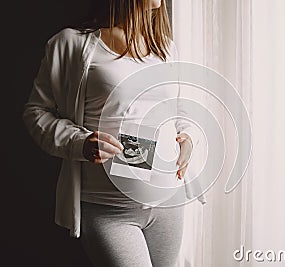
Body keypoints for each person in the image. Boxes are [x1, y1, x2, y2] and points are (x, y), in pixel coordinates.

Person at [22, 0, 206, 266]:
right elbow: (36, 112)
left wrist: (188, 138)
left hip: (168, 201)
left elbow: (177, 112)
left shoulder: (165, 48)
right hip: (109, 209)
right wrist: (80, 143)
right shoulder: (71, 44)